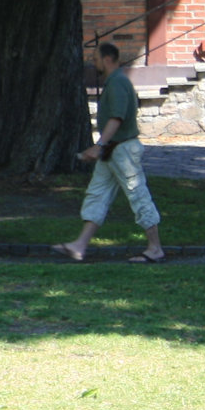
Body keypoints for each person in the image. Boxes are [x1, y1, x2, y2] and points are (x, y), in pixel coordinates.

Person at [52, 42, 164, 264]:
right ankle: (80, 245)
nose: (94, 63)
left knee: (138, 195)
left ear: (108, 59)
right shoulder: (114, 82)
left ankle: (155, 248)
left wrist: (99, 145)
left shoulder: (118, 83)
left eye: (96, 59)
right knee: (97, 193)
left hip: (122, 150)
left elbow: (117, 117)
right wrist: (103, 147)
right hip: (112, 151)